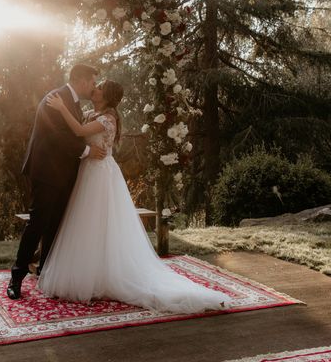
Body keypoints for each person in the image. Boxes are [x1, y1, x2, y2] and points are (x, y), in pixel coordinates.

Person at [38, 80, 230, 314]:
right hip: (88, 171)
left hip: (100, 175)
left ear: (106, 96)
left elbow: (78, 131)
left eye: (98, 87)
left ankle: (103, 276)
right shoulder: (92, 113)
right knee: (88, 225)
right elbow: (76, 130)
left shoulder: (107, 119)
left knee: (98, 222)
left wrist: (60, 108)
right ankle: (95, 271)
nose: (94, 89)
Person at [7, 64, 107, 300]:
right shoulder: (55, 99)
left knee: (56, 224)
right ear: (81, 81)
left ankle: (45, 273)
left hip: (64, 173)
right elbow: (56, 136)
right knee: (38, 223)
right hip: (46, 172)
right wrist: (86, 150)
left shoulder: (72, 102)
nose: (93, 87)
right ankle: (17, 276)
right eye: (92, 82)